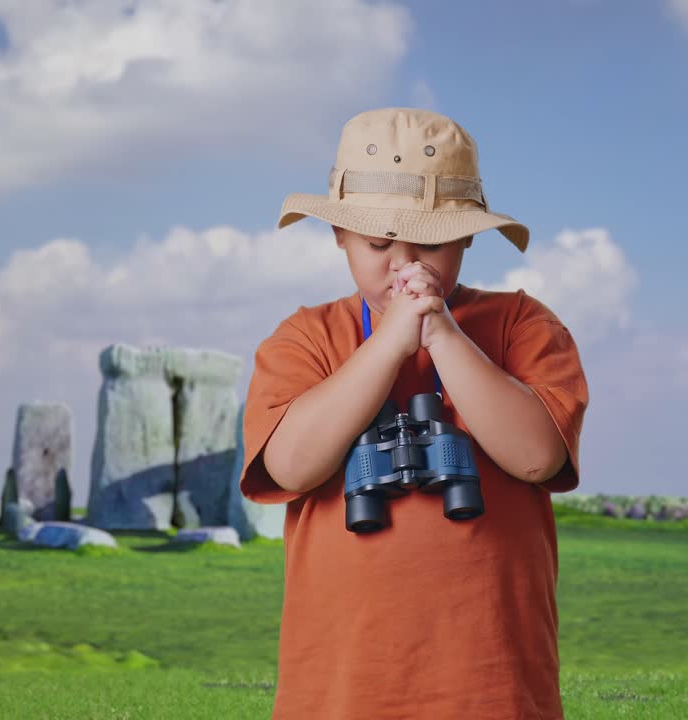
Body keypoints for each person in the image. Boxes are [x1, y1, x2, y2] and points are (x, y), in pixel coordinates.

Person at [239, 107, 589, 719]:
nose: (405, 265)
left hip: (492, 686)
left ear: (467, 239)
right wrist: (389, 344)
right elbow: (291, 467)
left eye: (429, 243)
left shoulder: (521, 325)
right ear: (339, 237)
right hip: (340, 690)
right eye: (378, 243)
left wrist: (443, 336)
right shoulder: (305, 339)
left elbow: (537, 457)